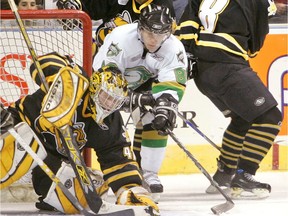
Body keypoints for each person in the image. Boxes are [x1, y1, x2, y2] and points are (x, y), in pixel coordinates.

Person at [0, 52, 159, 215]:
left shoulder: (110, 122)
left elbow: (118, 160)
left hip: (50, 159)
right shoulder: (75, 83)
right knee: (19, 152)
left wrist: (131, 191)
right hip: (18, 129)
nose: (109, 105)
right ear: (95, 89)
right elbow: (42, 62)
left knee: (75, 200)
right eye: (106, 97)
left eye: (115, 101)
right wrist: (62, 77)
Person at [175, 0, 282, 199]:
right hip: (227, 65)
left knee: (243, 118)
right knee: (270, 117)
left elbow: (186, 27)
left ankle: (223, 176)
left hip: (203, 71)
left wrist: (189, 52)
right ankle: (244, 175)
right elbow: (254, 48)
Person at [93, 3, 187, 201]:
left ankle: (149, 173)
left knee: (159, 117)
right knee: (101, 125)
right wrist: (132, 99)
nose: (155, 40)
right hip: (104, 84)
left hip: (144, 83)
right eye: (150, 34)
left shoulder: (174, 46)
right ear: (140, 27)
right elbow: (104, 83)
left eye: (161, 35)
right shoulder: (120, 38)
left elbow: (172, 84)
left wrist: (165, 106)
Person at [56, 0, 175, 57]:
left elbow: (159, 47)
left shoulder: (163, 9)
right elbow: (91, 7)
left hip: (138, 72)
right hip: (102, 61)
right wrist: (74, 8)